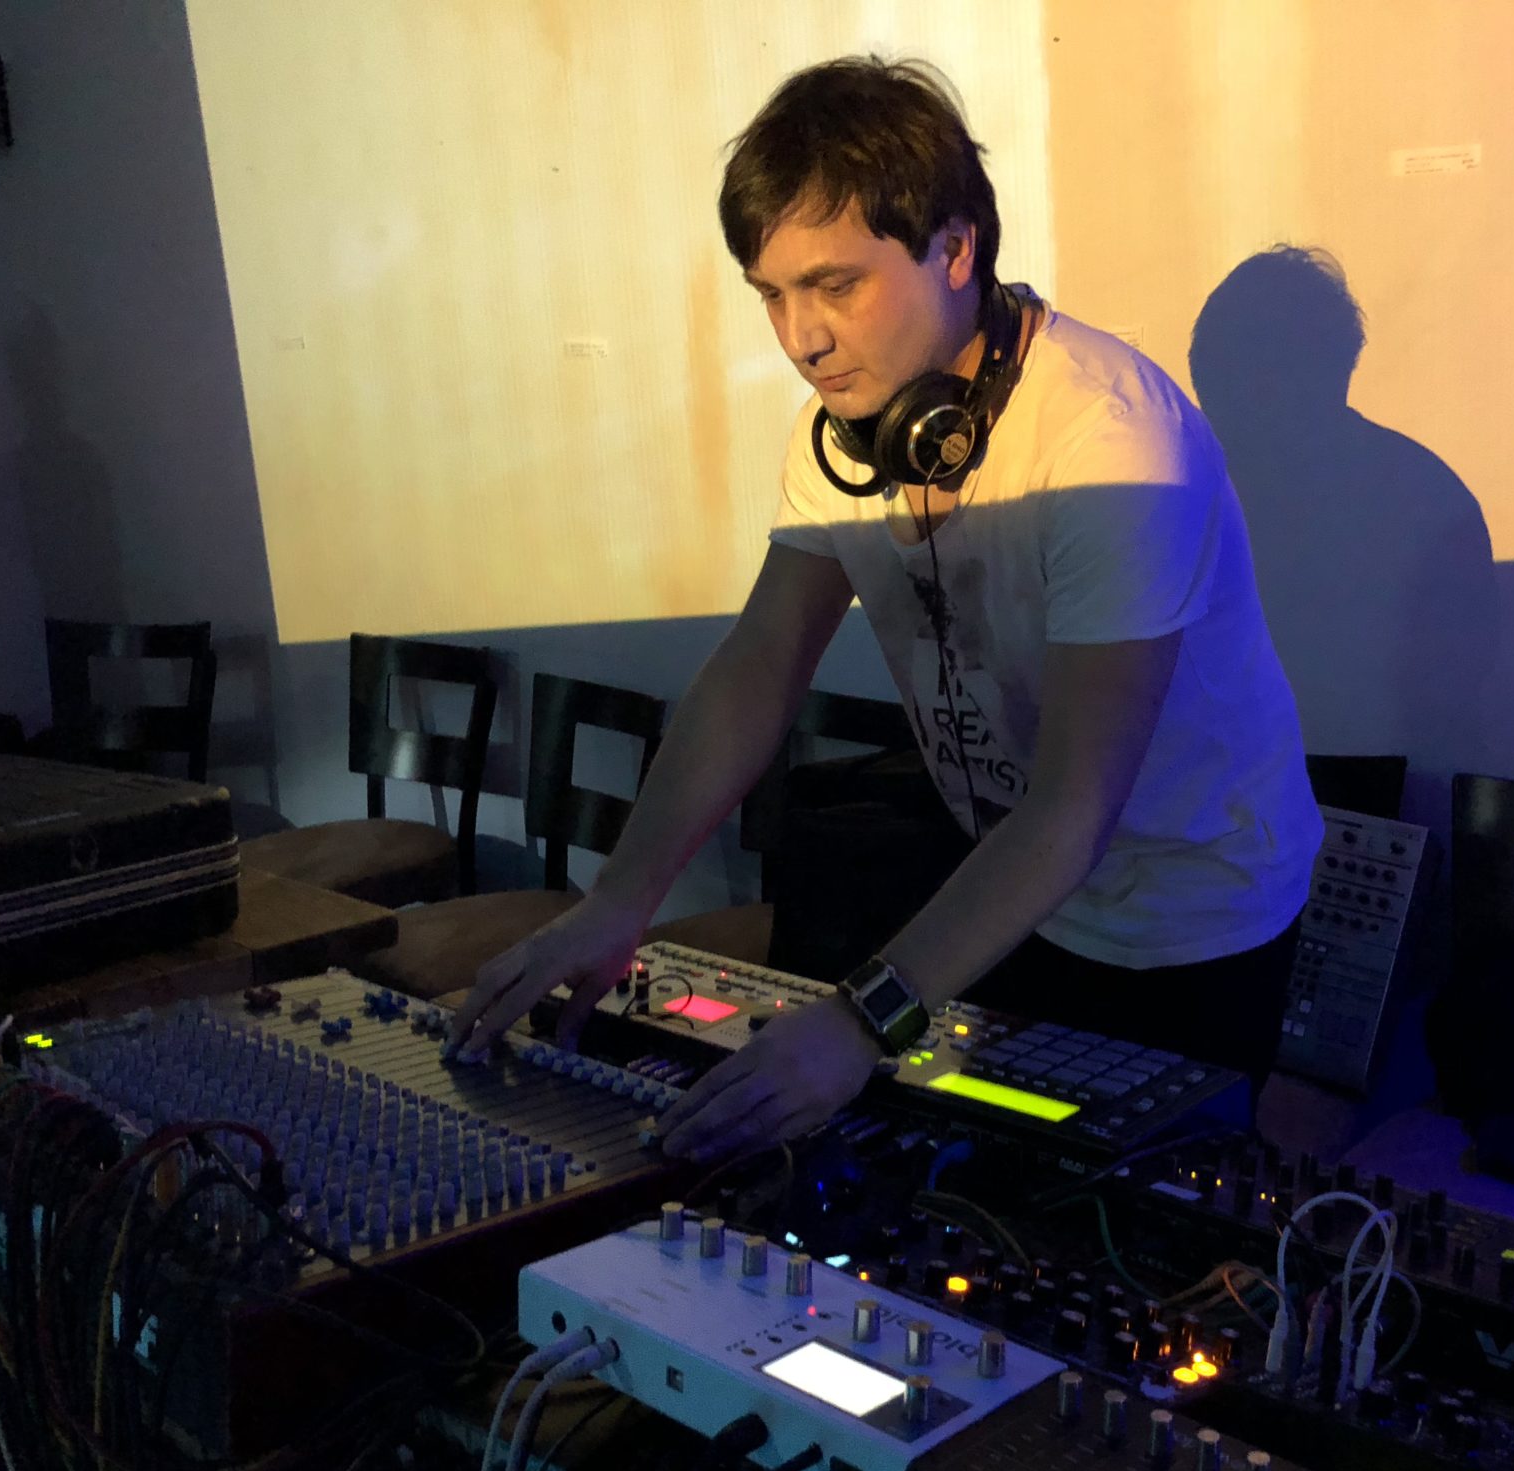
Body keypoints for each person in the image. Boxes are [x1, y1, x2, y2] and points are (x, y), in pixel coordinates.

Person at [454, 56, 1321, 1165]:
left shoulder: (1113, 443)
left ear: (955, 248)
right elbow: (762, 661)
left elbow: (1073, 806)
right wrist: (619, 900)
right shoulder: (849, 434)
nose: (798, 338)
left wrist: (860, 1022)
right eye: (772, 295)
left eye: (834, 286)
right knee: (969, 1201)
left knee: (1129, 1225)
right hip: (1010, 888)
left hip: (1193, 919)